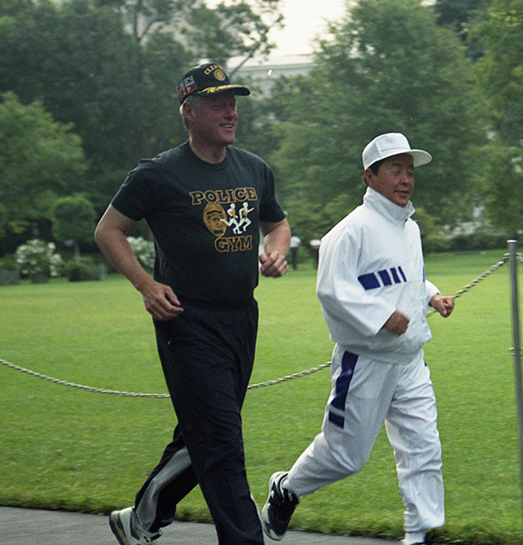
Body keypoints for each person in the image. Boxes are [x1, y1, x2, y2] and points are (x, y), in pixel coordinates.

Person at [94, 62, 291, 545]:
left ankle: (142, 514)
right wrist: (145, 284)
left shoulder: (254, 168)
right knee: (222, 441)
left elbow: (276, 224)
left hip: (242, 317)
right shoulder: (159, 174)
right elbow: (108, 230)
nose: (230, 112)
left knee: (205, 431)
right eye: (218, 103)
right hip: (187, 321)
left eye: (233, 103)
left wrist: (277, 251)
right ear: (189, 112)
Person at [261, 133, 454, 545]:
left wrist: (431, 295)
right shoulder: (347, 233)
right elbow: (332, 290)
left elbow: (405, 279)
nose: (405, 179)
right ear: (370, 176)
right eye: (395, 170)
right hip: (365, 362)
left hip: (410, 361)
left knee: (424, 447)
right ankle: (287, 489)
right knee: (347, 456)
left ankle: (422, 532)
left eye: (409, 171)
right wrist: (382, 318)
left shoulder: (409, 228)